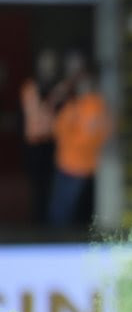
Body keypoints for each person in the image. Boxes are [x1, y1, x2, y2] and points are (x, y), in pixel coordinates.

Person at [47, 66, 111, 228]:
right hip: (75, 163)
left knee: (65, 208)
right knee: (65, 207)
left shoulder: (87, 106)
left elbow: (62, 129)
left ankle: (61, 239)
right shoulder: (88, 105)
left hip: (75, 164)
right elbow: (58, 126)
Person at [19, 49, 61, 224]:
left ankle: (50, 224)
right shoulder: (30, 87)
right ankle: (37, 223)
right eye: (44, 61)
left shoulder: (57, 87)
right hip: (34, 147)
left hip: (53, 145)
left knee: (53, 187)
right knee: (37, 189)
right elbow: (23, 117)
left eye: (50, 62)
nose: (47, 66)